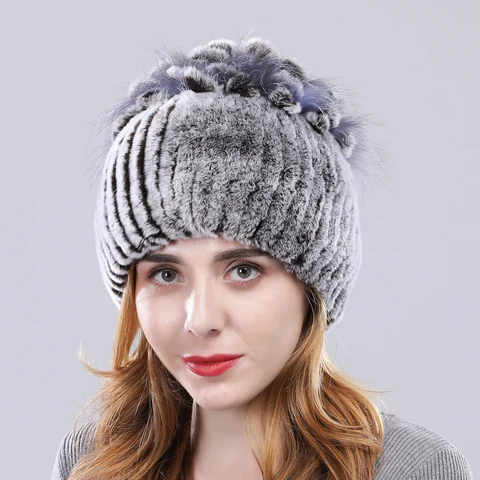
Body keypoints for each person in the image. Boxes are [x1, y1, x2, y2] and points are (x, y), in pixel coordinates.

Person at [51, 35, 473, 480]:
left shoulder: (412, 469)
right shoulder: (93, 460)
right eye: (166, 274)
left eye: (243, 270)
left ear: (313, 284)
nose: (201, 320)